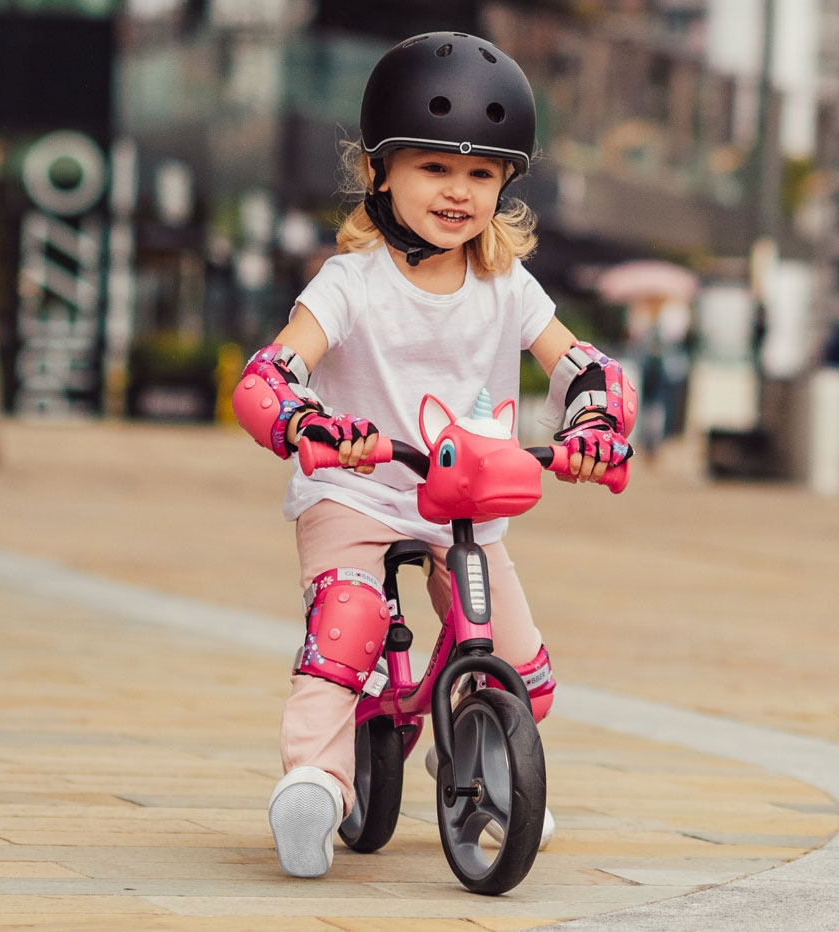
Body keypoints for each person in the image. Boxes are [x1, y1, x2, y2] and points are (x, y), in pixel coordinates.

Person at [231, 32, 636, 879]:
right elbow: (274, 371)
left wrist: (594, 420)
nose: (458, 193)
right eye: (433, 169)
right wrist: (304, 420)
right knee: (346, 631)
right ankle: (314, 784)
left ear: (506, 185)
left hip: (465, 498)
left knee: (521, 667)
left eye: (481, 174)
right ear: (380, 172)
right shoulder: (351, 284)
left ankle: (477, 757)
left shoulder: (507, 286)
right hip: (356, 488)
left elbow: (580, 363)